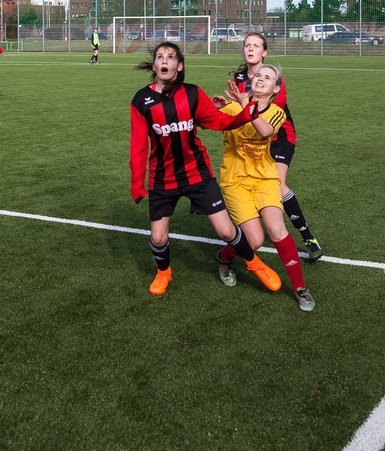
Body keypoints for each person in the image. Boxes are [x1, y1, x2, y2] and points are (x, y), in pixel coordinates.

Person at [130, 41, 280, 296]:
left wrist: (246, 114)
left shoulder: (192, 93)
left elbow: (219, 121)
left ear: (180, 66)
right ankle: (163, 272)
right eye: (160, 57)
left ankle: (255, 264)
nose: (165, 60)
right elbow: (138, 145)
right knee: (157, 238)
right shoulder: (141, 100)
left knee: (226, 230)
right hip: (162, 178)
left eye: (171, 56)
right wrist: (136, 183)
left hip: (196, 172)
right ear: (155, 65)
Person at [217, 63, 316, 312]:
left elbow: (265, 131)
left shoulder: (276, 112)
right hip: (236, 181)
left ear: (276, 88)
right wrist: (213, 107)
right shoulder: (234, 105)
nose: (261, 78)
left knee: (276, 228)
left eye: (268, 77)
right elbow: (206, 119)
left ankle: (300, 288)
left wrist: (244, 108)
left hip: (265, 179)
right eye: (258, 75)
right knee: (254, 241)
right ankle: (224, 259)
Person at [230, 32, 322, 260]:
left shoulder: (274, 78)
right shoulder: (240, 77)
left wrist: (245, 103)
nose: (250, 49)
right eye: (247, 45)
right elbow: (238, 111)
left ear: (264, 52)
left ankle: (308, 237)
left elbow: (269, 112)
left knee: (278, 184)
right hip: (253, 138)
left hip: (279, 137)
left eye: (255, 46)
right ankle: (249, 229)